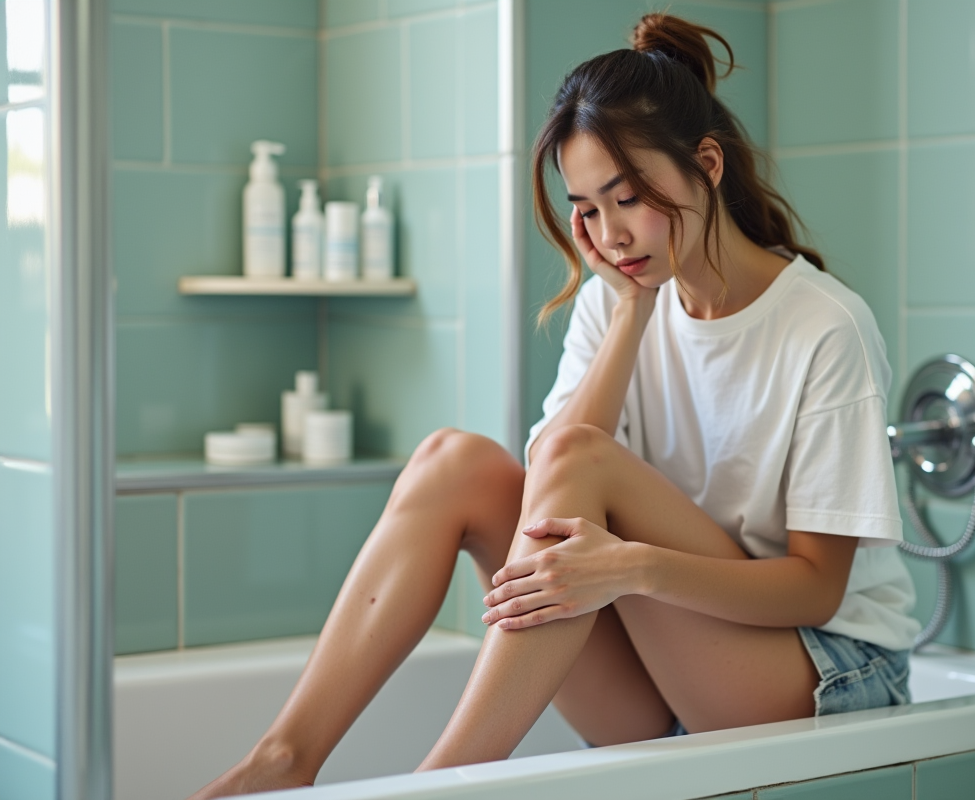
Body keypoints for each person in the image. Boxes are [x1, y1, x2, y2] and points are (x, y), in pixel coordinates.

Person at [189, 12, 919, 798]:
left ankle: (437, 787)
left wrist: (631, 570)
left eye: (629, 198)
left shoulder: (823, 326)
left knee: (576, 455)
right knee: (455, 462)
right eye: (589, 210)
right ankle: (284, 757)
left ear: (706, 165)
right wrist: (634, 313)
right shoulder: (622, 293)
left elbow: (815, 587)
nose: (612, 235)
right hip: (667, 676)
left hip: (819, 674)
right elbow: (549, 480)